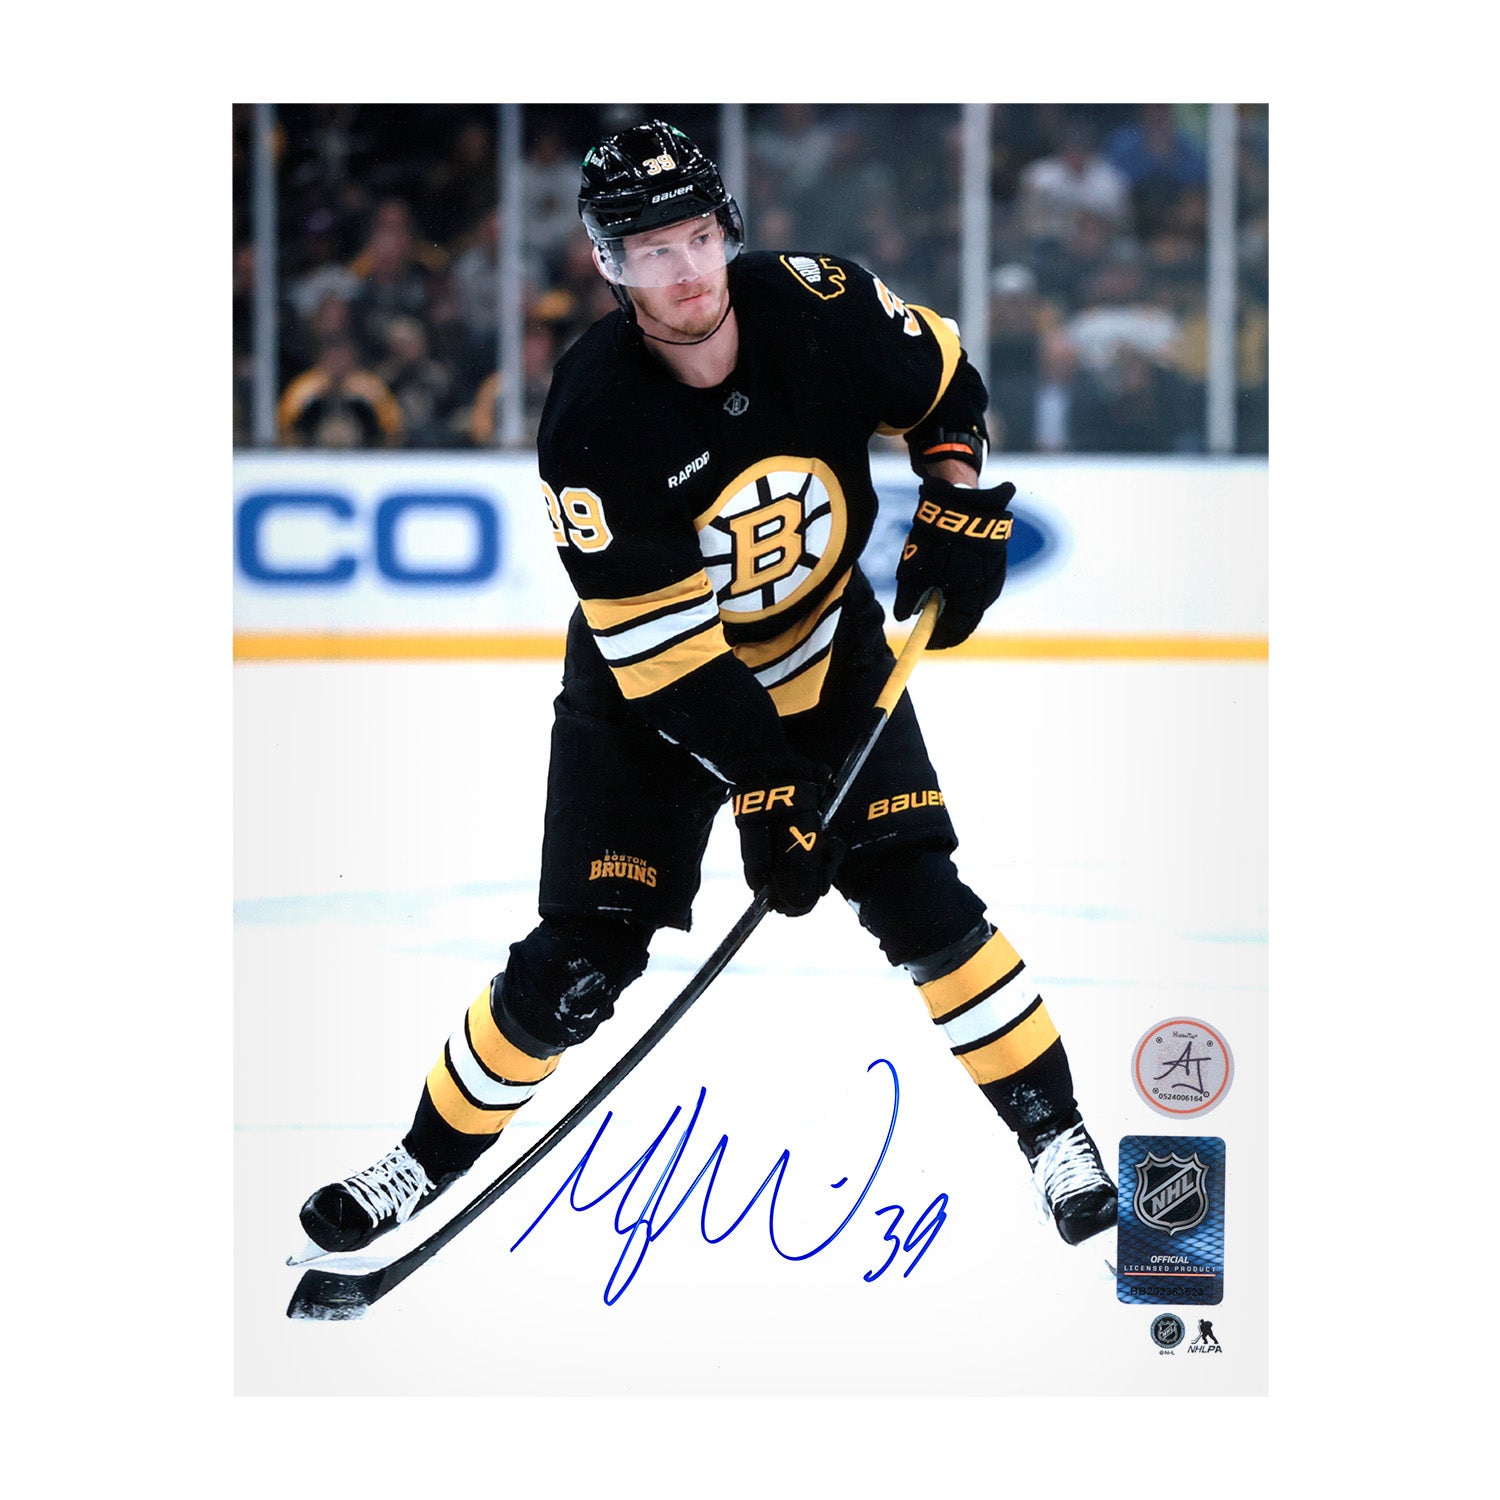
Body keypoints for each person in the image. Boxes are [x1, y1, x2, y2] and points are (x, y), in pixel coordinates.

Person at [295, 120, 1117, 1261]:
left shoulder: (822, 303)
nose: (683, 271)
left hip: (824, 648)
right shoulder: (593, 414)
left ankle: (1058, 1137)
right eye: (649, 250)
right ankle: (416, 1162)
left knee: (924, 900)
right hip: (650, 699)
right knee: (581, 961)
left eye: (695, 236)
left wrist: (957, 497)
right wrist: (770, 783)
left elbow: (944, 385)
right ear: (609, 265)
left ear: (727, 227)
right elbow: (669, 660)